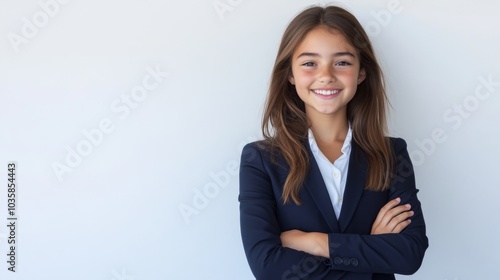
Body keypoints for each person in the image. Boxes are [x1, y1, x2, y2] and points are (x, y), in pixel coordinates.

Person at [238, 5, 428, 280]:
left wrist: (315, 242)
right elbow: (268, 267)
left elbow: (409, 255)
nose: (326, 75)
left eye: (342, 62)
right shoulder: (261, 160)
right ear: (290, 74)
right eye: (309, 63)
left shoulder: (391, 154)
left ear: (361, 72)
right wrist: (371, 253)